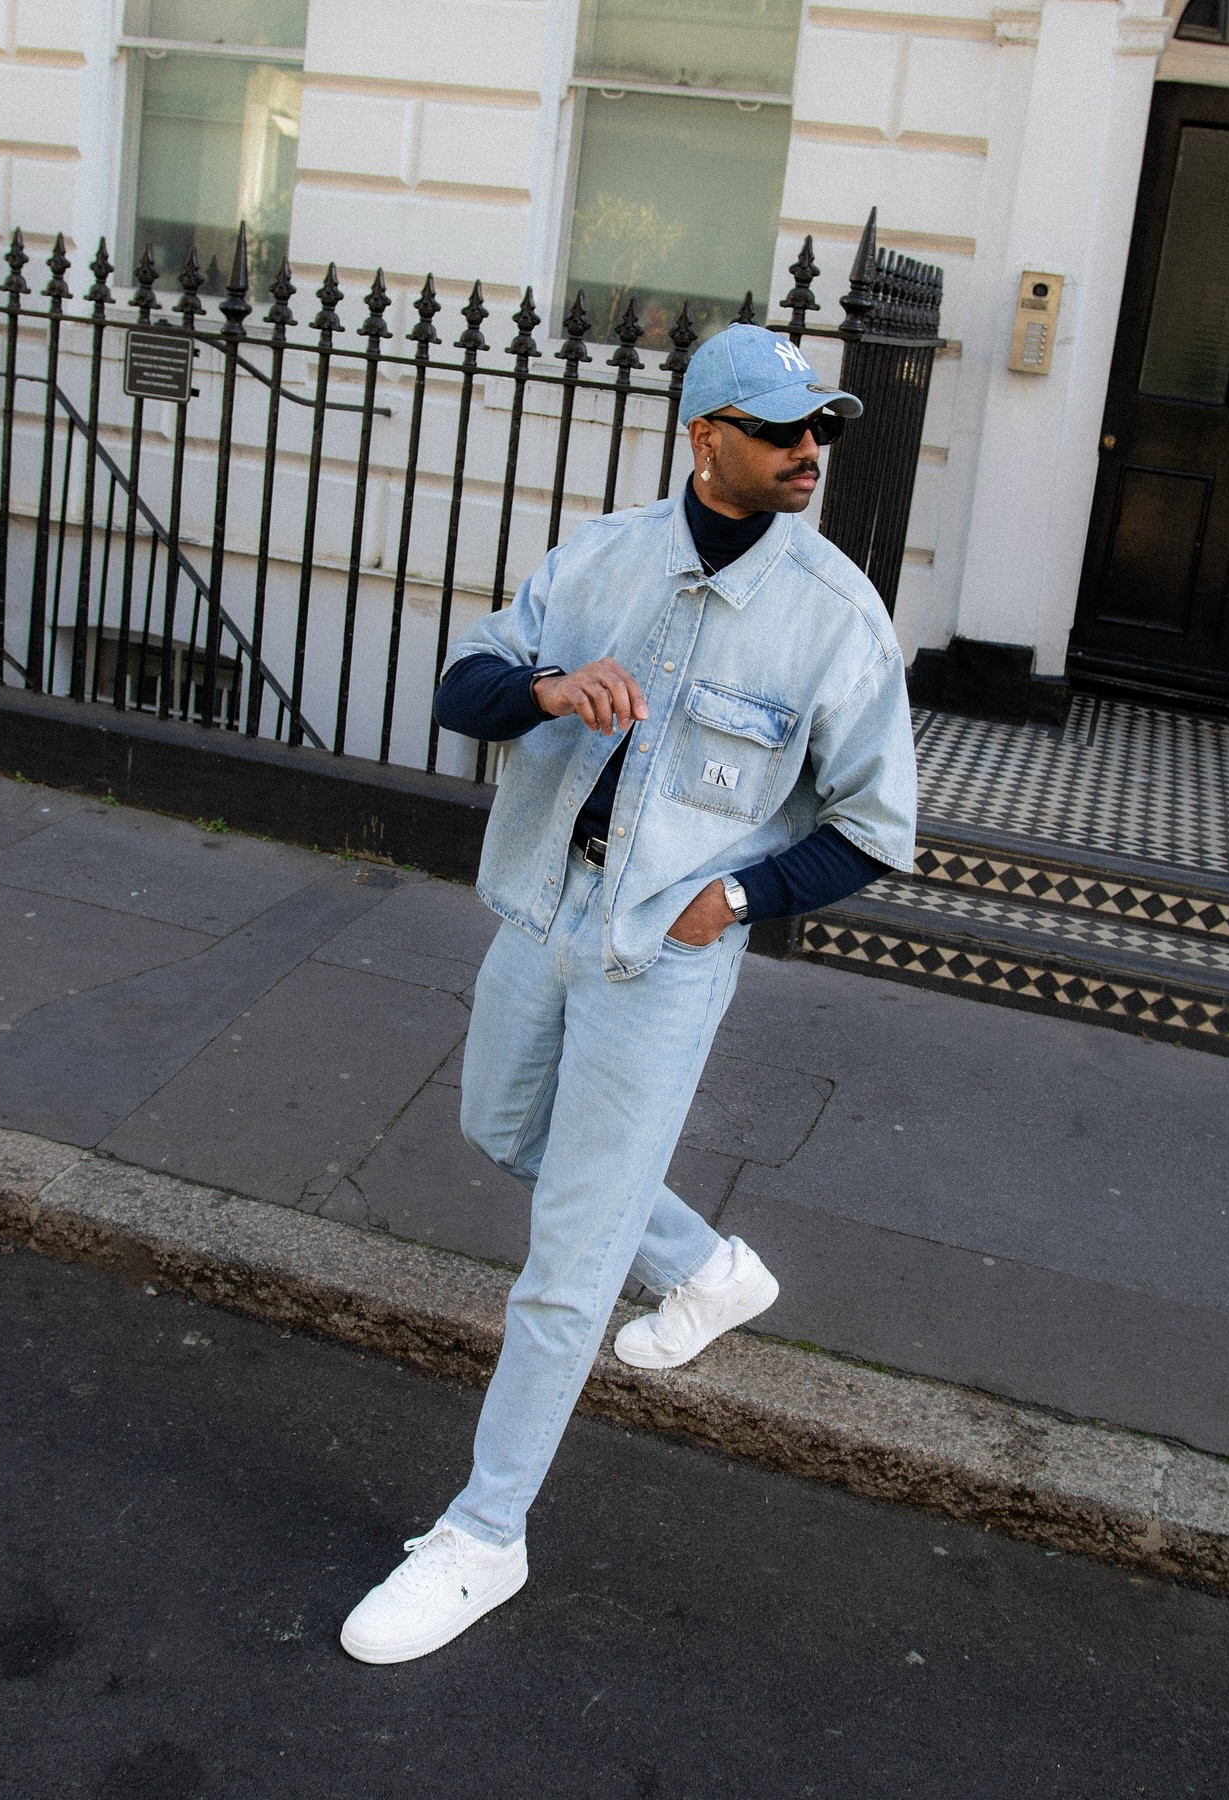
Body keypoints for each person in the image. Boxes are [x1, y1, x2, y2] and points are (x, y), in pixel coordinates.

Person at [340, 323, 917, 1664]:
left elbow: (876, 825)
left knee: (568, 1264)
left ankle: (486, 1536)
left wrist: (733, 902)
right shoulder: (599, 557)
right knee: (501, 1129)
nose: (807, 453)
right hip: (545, 905)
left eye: (819, 430)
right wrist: (547, 685)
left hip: (666, 952)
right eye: (780, 432)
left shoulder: (833, 613)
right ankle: (709, 1268)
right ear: (704, 434)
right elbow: (462, 688)